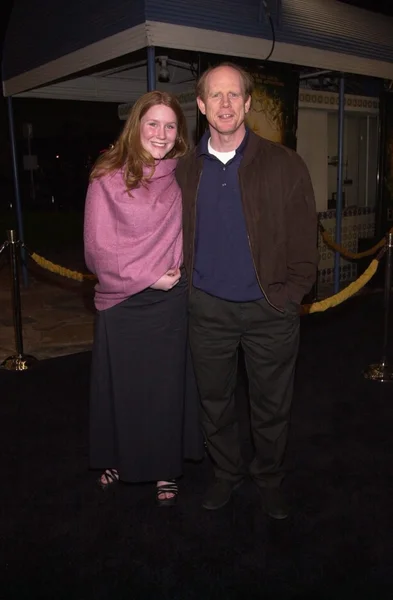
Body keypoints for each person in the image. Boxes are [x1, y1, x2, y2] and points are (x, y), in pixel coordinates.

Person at [176, 63, 318, 518]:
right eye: (214, 96)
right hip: (208, 310)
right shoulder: (183, 171)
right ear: (200, 106)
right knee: (214, 402)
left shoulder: (284, 163)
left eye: (233, 95)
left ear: (248, 103)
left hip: (269, 309)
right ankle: (226, 474)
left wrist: (290, 295)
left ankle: (270, 478)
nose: (224, 104)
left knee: (272, 405)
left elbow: (304, 240)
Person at [84, 90, 202, 507]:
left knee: (164, 389)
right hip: (122, 300)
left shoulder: (181, 174)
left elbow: (191, 229)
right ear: (136, 125)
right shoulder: (107, 175)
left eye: (170, 125)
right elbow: (97, 250)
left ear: (179, 133)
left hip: (169, 302)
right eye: (153, 123)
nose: (161, 133)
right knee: (123, 387)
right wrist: (150, 277)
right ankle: (119, 456)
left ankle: (164, 467)